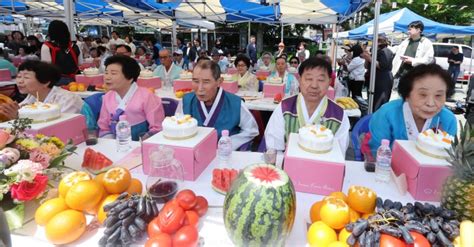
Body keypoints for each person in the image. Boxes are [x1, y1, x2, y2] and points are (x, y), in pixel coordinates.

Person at [265, 57, 350, 152]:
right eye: (309, 79)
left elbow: (339, 153)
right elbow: (274, 147)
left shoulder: (339, 115)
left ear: (329, 82)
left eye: (321, 80)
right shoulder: (285, 108)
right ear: (300, 80)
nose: (314, 85)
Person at [367, 64, 457, 153]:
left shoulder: (448, 120)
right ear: (407, 94)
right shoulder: (386, 114)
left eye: (438, 95)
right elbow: (376, 152)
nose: (430, 103)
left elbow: (449, 156)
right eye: (423, 94)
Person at [176, 60, 259, 150]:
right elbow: (177, 127)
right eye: (195, 81)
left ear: (219, 81)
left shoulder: (235, 103)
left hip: (225, 155)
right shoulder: (186, 101)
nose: (200, 88)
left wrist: (230, 143)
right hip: (194, 154)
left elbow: (251, 131)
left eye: (206, 82)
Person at [98, 55, 165, 141]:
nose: (107, 77)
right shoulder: (107, 97)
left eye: (113, 73)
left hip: (141, 145)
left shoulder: (147, 96)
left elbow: (157, 128)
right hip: (115, 146)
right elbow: (103, 127)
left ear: (129, 78)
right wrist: (111, 142)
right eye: (106, 73)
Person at [0, 60, 88, 121]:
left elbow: (58, 126)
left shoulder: (67, 99)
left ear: (45, 82)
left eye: (26, 77)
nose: (20, 81)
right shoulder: (32, 97)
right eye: (19, 76)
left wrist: (18, 118)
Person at [391, 21, 434, 89]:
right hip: (401, 75)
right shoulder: (406, 41)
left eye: (410, 29)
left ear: (418, 30)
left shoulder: (426, 43)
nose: (408, 31)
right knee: (402, 95)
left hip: (415, 77)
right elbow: (396, 49)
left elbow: (428, 59)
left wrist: (412, 61)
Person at [41, 20, 82, 85]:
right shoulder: (75, 45)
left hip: (57, 82)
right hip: (76, 80)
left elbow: (46, 68)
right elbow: (80, 64)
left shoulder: (47, 46)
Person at [362, 35, 394, 112]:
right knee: (372, 102)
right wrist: (367, 58)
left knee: (379, 103)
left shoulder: (386, 51)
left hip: (382, 80)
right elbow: (366, 66)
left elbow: (382, 65)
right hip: (374, 80)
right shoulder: (375, 52)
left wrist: (369, 58)